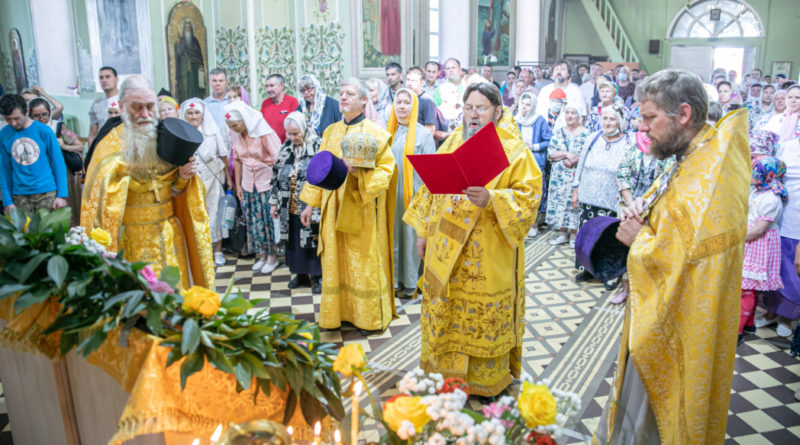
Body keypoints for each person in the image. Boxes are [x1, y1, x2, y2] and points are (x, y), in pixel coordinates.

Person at [596, 69, 749, 444]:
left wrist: (639, 240)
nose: (642, 127)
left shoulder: (712, 174)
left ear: (683, 114)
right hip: (659, 312)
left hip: (678, 328)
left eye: (650, 118)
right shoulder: (694, 155)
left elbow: (691, 257)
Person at [403, 82, 541, 397]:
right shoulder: (453, 141)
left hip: (487, 253)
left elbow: (530, 195)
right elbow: (429, 191)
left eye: (481, 108)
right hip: (444, 249)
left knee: (481, 313)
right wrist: (423, 233)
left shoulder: (514, 149)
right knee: (447, 308)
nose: (473, 115)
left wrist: (492, 198)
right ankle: (444, 376)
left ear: (498, 110)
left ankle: (483, 381)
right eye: (469, 108)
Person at [81, 75, 214, 289]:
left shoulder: (167, 137)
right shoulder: (108, 146)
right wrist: (123, 175)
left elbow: (175, 192)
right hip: (131, 239)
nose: (145, 114)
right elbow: (100, 202)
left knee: (177, 296)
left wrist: (183, 178)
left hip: (169, 235)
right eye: (137, 107)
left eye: (150, 107)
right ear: (123, 106)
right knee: (142, 303)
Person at [299, 78, 397, 333]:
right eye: (341, 93)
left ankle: (368, 318)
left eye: (350, 93)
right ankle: (339, 314)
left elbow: (387, 170)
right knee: (335, 260)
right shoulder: (330, 131)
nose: (343, 97)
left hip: (361, 208)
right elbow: (319, 169)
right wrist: (310, 204)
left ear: (364, 100)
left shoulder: (376, 133)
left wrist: (359, 176)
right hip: (332, 210)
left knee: (363, 262)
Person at [610, 124, 675, 304]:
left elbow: (665, 182)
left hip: (653, 208)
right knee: (625, 248)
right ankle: (625, 289)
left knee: (646, 250)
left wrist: (644, 207)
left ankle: (643, 292)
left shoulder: (667, 152)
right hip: (627, 206)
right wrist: (631, 205)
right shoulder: (633, 147)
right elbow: (622, 174)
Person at [571, 104, 631, 290]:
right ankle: (588, 269)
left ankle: (609, 273)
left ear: (620, 121)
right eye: (605, 118)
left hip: (611, 199)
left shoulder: (628, 142)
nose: (608, 122)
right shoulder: (592, 138)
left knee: (608, 238)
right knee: (587, 235)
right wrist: (575, 189)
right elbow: (580, 166)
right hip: (588, 195)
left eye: (612, 119)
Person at [387, 88, 435, 297]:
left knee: (411, 236)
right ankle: (395, 279)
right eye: (399, 102)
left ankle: (412, 280)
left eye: (407, 102)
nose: (403, 106)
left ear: (414, 106)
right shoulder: (387, 132)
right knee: (394, 236)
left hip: (415, 196)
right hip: (391, 196)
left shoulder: (424, 134)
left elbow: (431, 171)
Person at [226, 100, 281, 274]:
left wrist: (278, 187)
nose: (233, 129)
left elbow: (279, 159)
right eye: (230, 126)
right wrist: (239, 184)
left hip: (266, 181)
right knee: (255, 220)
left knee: (268, 220)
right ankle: (262, 254)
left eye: (235, 125)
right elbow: (238, 159)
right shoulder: (236, 134)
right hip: (249, 182)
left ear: (245, 119)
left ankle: (273, 256)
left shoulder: (263, 132)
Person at [269, 111, 322, 293]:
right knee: (292, 238)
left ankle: (317, 276)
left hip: (310, 204)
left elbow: (322, 176)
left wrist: (312, 202)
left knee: (311, 238)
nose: (292, 138)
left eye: (296, 134)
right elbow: (275, 175)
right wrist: (274, 202)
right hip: (288, 203)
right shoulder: (285, 148)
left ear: (304, 130)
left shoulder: (317, 146)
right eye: (289, 134)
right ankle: (300, 274)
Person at [756, 133, 800, 337]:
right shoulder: (786, 145)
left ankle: (787, 316)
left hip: (797, 218)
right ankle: (770, 312)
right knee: (774, 265)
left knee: (792, 272)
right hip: (778, 209)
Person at [740, 156, 787, 344]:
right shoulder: (758, 192)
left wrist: (735, 238)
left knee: (745, 291)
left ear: (766, 175)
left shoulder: (771, 199)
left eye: (755, 170)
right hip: (751, 241)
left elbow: (759, 230)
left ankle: (738, 330)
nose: (751, 173)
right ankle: (750, 324)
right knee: (749, 289)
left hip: (758, 244)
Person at [0, 93, 68, 215]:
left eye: (17, 118)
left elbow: (58, 163)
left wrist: (62, 195)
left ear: (26, 111)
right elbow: (4, 171)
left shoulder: (44, 131)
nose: (13, 123)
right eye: (8, 119)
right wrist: (7, 201)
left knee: (49, 233)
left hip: (47, 193)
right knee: (24, 233)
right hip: (20, 195)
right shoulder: (4, 134)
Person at [180, 98, 230, 266]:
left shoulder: (212, 131)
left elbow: (224, 155)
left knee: (214, 212)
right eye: (190, 113)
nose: (193, 117)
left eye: (196, 113)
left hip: (212, 176)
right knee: (194, 213)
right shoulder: (182, 133)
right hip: (191, 180)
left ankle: (218, 250)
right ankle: (200, 249)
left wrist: (229, 179)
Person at [28, 98, 83, 226]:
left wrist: (64, 146)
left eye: (44, 114)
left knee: (69, 211)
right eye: (36, 116)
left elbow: (80, 146)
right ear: (30, 116)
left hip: (63, 176)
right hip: (40, 179)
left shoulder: (59, 127)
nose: (41, 118)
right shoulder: (29, 131)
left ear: (50, 113)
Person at [546, 103, 589, 247]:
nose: (570, 116)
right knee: (559, 204)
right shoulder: (558, 132)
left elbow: (586, 154)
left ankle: (574, 235)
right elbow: (551, 153)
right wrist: (566, 154)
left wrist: (574, 159)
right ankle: (562, 233)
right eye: (568, 113)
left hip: (576, 176)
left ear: (579, 116)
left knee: (574, 205)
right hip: (559, 177)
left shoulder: (586, 133)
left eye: (573, 113)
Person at [515, 92, 551, 236]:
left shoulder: (539, 120)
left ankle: (534, 223)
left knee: (535, 192)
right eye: (523, 104)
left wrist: (534, 147)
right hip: (518, 160)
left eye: (528, 104)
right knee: (519, 191)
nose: (524, 107)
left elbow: (549, 140)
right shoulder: (515, 119)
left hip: (535, 160)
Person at [535, 59, 585, 129]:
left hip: (567, 132)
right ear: (552, 73)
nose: (559, 71)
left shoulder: (576, 91)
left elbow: (581, 117)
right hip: (545, 132)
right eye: (556, 69)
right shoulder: (545, 90)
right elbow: (538, 113)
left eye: (563, 69)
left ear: (568, 74)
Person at [260, 73, 300, 143]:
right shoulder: (265, 103)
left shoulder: (292, 102)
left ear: (282, 85)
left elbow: (296, 127)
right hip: (269, 146)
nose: (268, 89)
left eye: (272, 86)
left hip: (287, 146)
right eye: (267, 86)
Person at [88, 66, 119, 146]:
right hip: (104, 147)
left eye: (108, 77)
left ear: (116, 79)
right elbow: (93, 134)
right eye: (101, 78)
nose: (104, 80)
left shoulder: (126, 100)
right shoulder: (96, 104)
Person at [403, 66, 437, 135]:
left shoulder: (427, 100)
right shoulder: (404, 99)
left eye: (413, 81)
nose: (409, 83)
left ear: (421, 82)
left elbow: (430, 129)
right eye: (407, 80)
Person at [204, 68, 231, 146]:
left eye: (221, 81)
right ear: (210, 82)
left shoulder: (232, 102)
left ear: (226, 82)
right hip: (212, 146)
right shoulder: (205, 104)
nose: (217, 84)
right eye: (214, 81)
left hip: (231, 144)